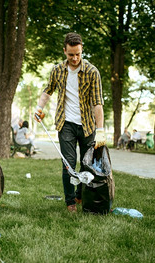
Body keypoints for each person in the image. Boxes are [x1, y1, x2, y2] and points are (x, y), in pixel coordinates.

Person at [34, 32, 106, 212]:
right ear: (64, 51)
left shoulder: (92, 72)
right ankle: (70, 202)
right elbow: (47, 91)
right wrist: (39, 107)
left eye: (78, 54)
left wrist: (101, 130)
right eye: (71, 54)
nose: (75, 58)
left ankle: (81, 195)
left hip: (87, 125)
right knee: (68, 164)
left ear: (82, 51)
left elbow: (98, 102)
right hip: (65, 123)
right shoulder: (58, 70)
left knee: (86, 164)